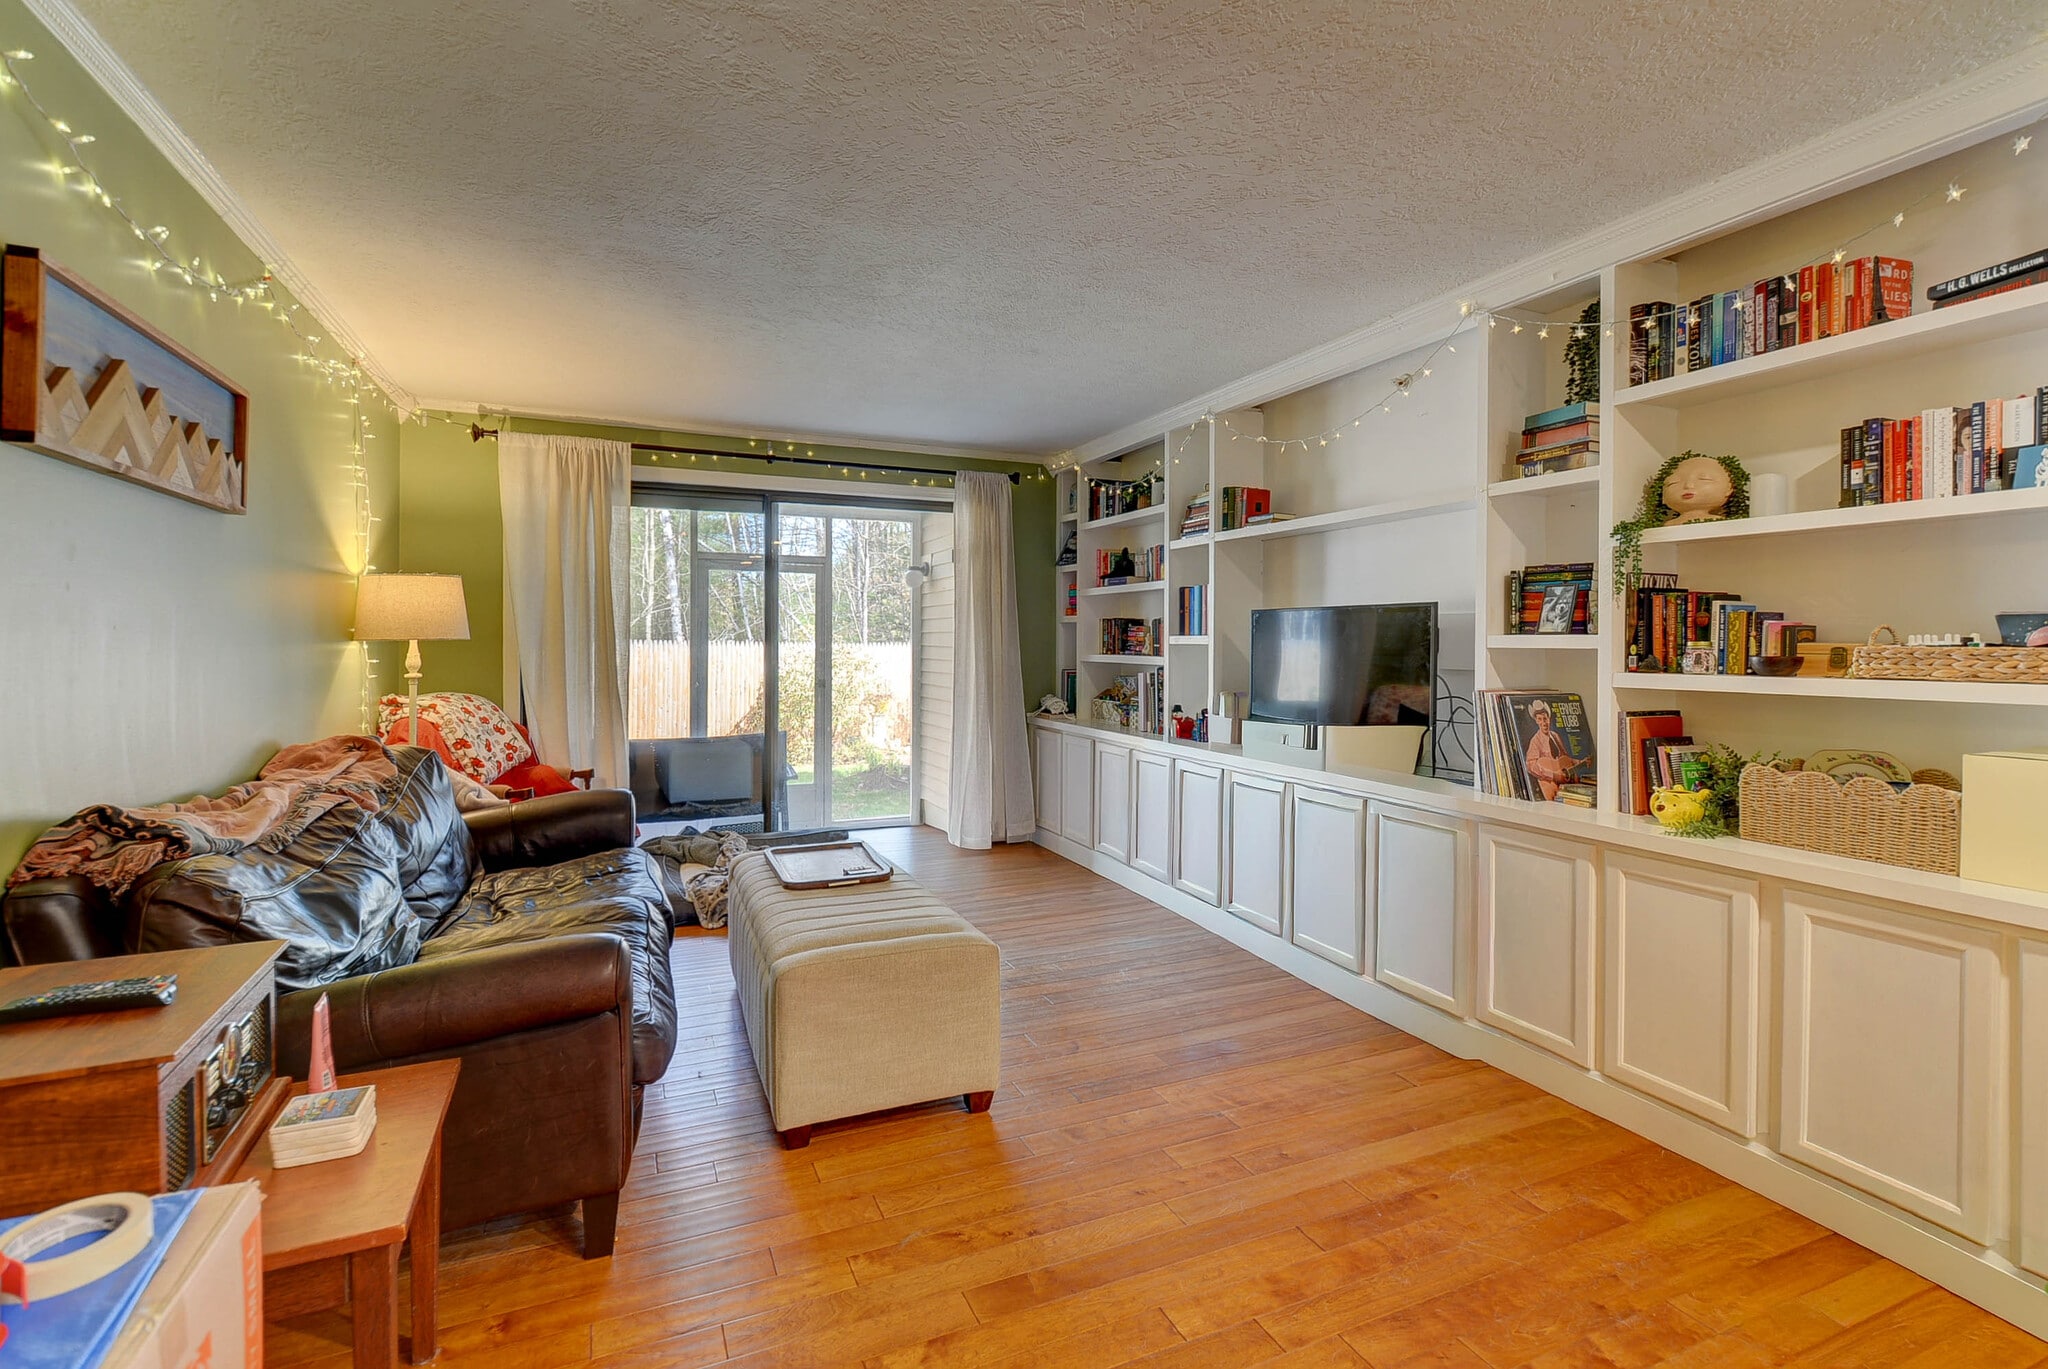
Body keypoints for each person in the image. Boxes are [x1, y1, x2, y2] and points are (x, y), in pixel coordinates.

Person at [1522, 698, 1584, 801]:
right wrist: (1554, 776)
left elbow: (1565, 759)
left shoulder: (1555, 736)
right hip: (1550, 785)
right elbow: (1530, 765)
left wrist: (1580, 762)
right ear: (1536, 721)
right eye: (1540, 719)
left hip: (1564, 784)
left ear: (1549, 719)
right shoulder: (1535, 741)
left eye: (1545, 718)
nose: (1544, 723)